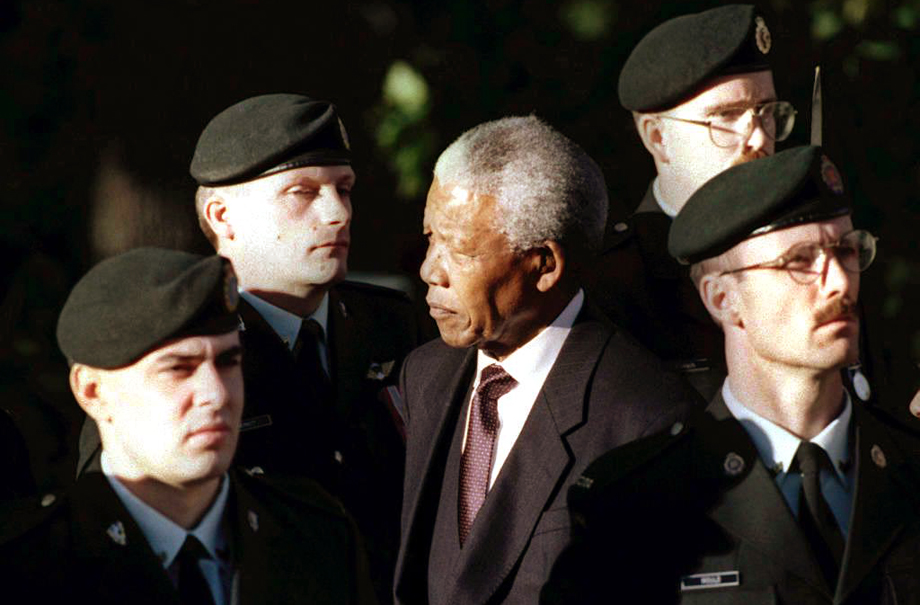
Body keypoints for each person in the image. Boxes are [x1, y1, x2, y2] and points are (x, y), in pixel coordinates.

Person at [78, 94, 420, 602]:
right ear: (222, 216)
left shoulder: (397, 327)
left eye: (344, 190)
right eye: (303, 192)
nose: (337, 214)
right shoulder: (167, 353)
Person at [542, 146, 920, 604]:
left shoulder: (907, 465)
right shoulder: (635, 507)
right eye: (800, 261)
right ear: (722, 299)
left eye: (846, 251)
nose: (840, 281)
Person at [393, 116, 701, 604]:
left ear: (544, 265)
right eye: (431, 236)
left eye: (461, 250)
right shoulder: (424, 375)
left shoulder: (645, 416)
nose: (430, 269)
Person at [0, 247, 375, 604]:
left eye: (228, 361)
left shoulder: (317, 536)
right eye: (178, 368)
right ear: (93, 391)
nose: (216, 394)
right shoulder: (27, 569)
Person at [583, 4, 794, 399]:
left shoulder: (817, 253)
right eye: (726, 117)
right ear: (657, 138)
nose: (759, 139)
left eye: (766, 112)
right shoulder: (609, 284)